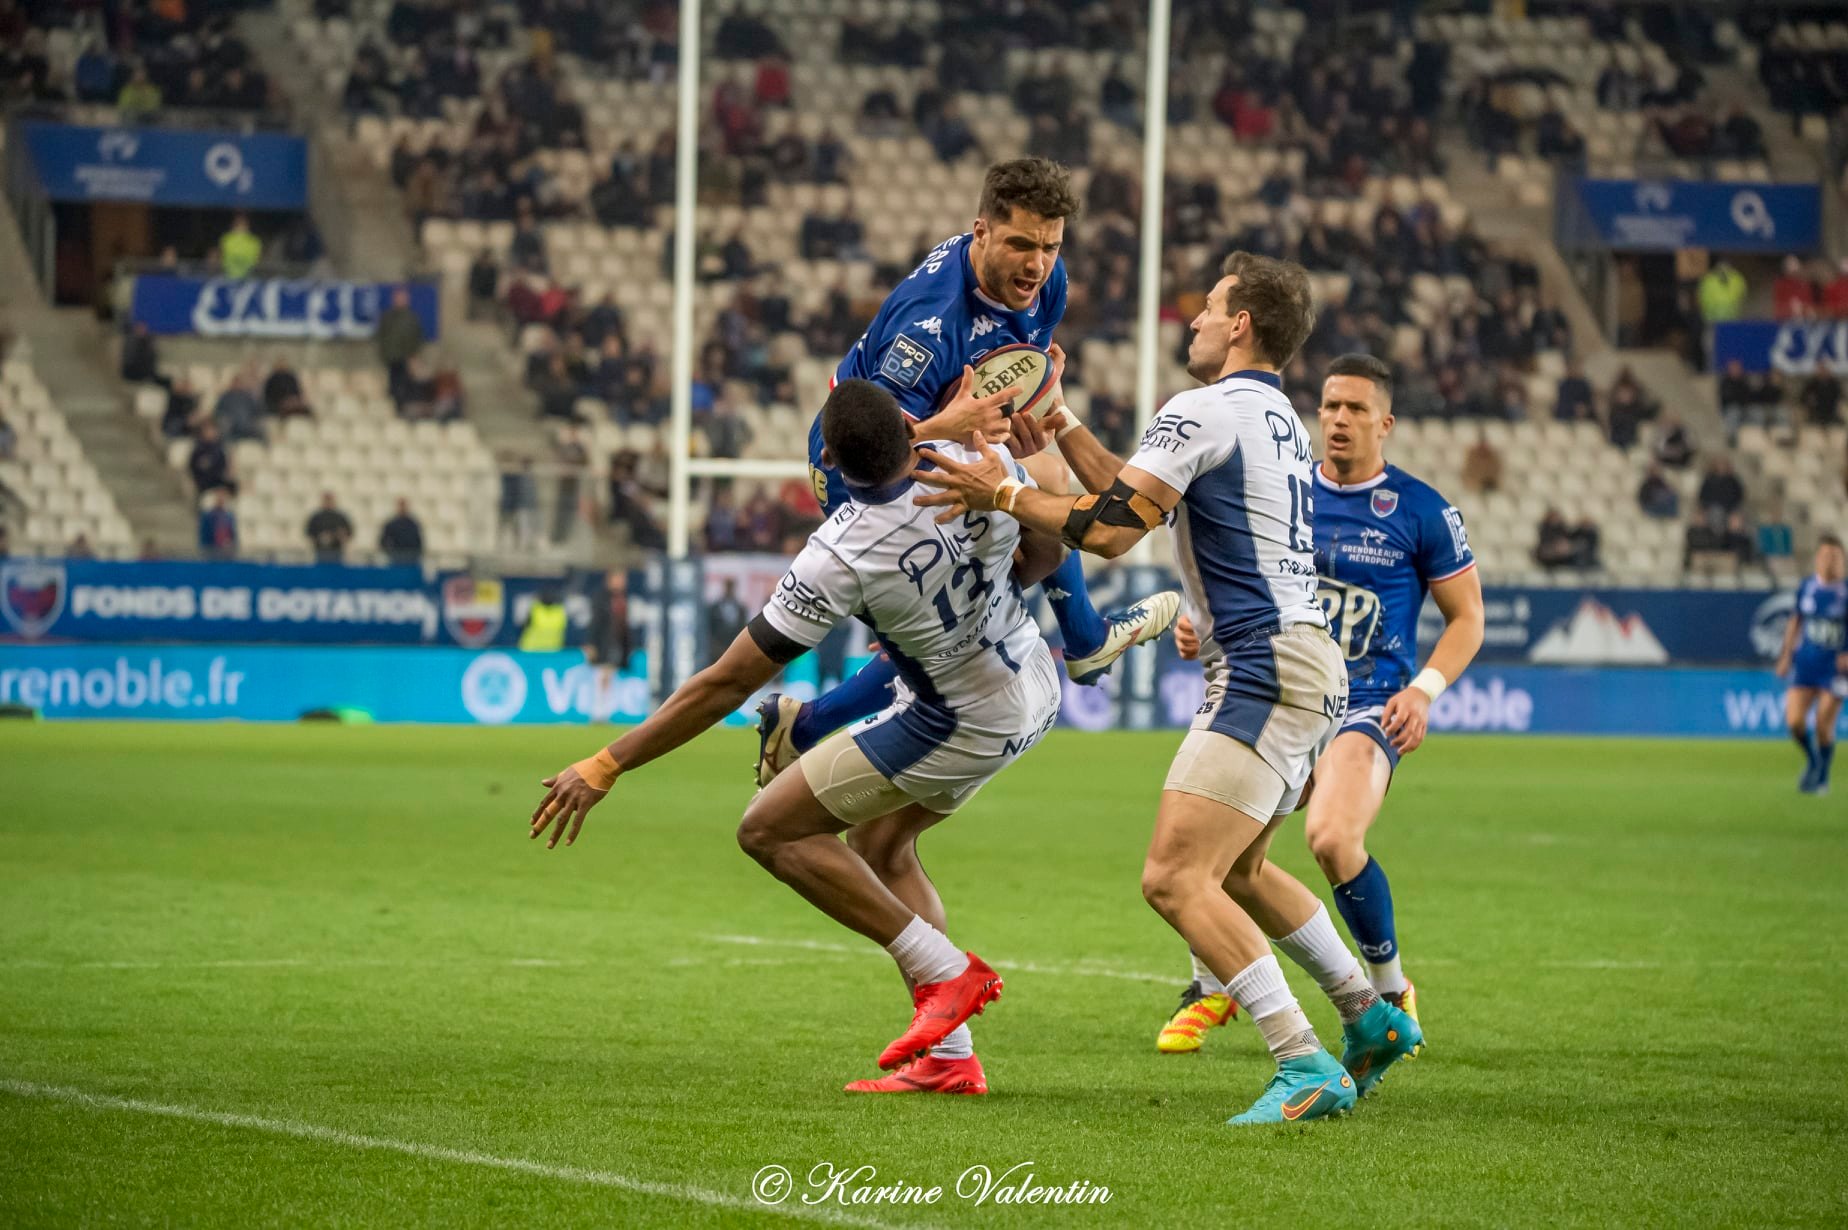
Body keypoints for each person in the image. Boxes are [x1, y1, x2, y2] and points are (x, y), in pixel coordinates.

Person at [912, 253, 1420, 1124]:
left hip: (1263, 667)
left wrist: (1002, 492)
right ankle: (1370, 1015)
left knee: (1175, 879)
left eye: (1209, 308)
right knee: (1244, 871)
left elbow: (1114, 529)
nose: (1195, 320)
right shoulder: (1274, 417)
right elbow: (1142, 492)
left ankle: (1303, 1061)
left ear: (1241, 325)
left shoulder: (1204, 408)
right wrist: (1061, 421)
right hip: (1304, 664)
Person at [531, 378, 1069, 1098]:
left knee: (769, 830)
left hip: (959, 718)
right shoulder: (975, 463)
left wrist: (607, 762)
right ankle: (949, 1058)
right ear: (908, 428)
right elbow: (1043, 559)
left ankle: (945, 972)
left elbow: (726, 684)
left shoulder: (840, 552)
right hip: (1033, 680)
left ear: (829, 463)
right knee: (880, 846)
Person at [754, 158, 1180, 786]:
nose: (1038, 264)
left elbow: (1010, 376)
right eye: (1021, 244)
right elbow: (863, 445)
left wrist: (1024, 416)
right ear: (981, 231)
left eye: (1050, 246)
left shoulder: (1046, 285)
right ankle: (1086, 637)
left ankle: (807, 724)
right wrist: (946, 426)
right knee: (985, 592)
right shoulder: (927, 327)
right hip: (861, 470)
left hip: (941, 442)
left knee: (1026, 510)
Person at [1157, 352, 1484, 1063]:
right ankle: (1214, 983)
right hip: (1280, 688)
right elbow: (1235, 569)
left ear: (1385, 424)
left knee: (1332, 839)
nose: (1338, 419)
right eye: (1330, 405)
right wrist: (1198, 623)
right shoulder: (1288, 487)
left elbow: (1467, 618)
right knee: (1226, 849)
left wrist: (1423, 691)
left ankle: (1388, 990)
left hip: (1369, 702)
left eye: (1356, 409)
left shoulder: (1422, 509)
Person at [1775, 536, 1847, 797]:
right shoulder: (1807, 587)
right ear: (1817, 558)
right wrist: (1786, 655)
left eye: (1835, 556)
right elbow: (1796, 620)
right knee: (1794, 723)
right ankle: (1814, 760)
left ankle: (1822, 777)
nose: (1830, 561)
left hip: (1835, 670)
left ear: (1842, 560)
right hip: (1806, 664)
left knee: (1822, 725)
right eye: (1825, 555)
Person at [305, 492, 353, 563]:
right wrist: (320, 538)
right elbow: (309, 533)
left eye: (329, 500)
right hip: (320, 551)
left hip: (337, 551)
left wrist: (339, 536)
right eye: (326, 500)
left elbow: (348, 533)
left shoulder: (340, 517)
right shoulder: (316, 517)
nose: (328, 503)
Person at [379, 499, 423, 565]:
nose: (403, 508)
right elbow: (383, 541)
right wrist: (390, 552)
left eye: (404, 506)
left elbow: (418, 541)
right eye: (401, 506)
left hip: (411, 557)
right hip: (396, 557)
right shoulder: (392, 524)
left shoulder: (413, 524)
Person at [221, 213, 262, 280]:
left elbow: (257, 260)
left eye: (243, 224)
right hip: (227, 275)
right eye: (238, 223)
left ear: (248, 225)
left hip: (249, 276)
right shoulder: (226, 239)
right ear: (233, 224)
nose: (240, 226)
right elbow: (221, 257)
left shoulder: (254, 241)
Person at [197, 491, 238, 558]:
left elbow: (233, 534)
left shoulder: (229, 516)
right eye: (219, 498)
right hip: (211, 550)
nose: (221, 501)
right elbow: (203, 534)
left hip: (226, 551)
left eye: (222, 498)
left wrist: (232, 546)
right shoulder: (207, 516)